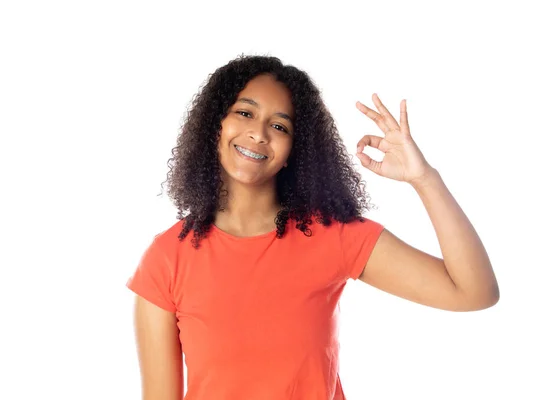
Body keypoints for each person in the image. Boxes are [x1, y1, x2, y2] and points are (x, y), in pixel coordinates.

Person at [126, 54, 499, 400]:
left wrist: (424, 179)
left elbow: (473, 292)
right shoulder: (166, 259)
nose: (259, 134)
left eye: (279, 125)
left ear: (295, 150)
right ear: (215, 125)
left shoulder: (332, 235)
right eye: (244, 113)